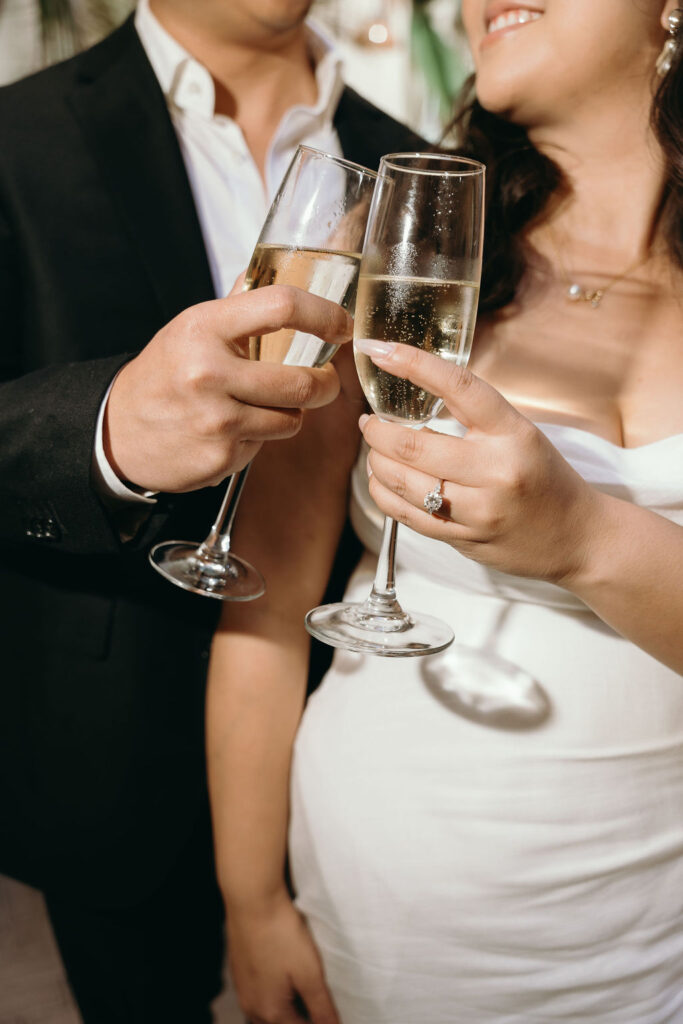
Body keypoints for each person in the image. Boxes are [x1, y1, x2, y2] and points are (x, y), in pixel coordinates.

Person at [207, 0, 683, 1021]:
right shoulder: (401, 252)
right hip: (371, 917)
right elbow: (267, 596)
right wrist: (250, 904)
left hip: (643, 936)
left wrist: (584, 538)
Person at [0, 0, 420, 1020]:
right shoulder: (18, 136)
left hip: (353, 765)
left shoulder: (413, 164)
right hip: (105, 765)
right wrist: (105, 431)